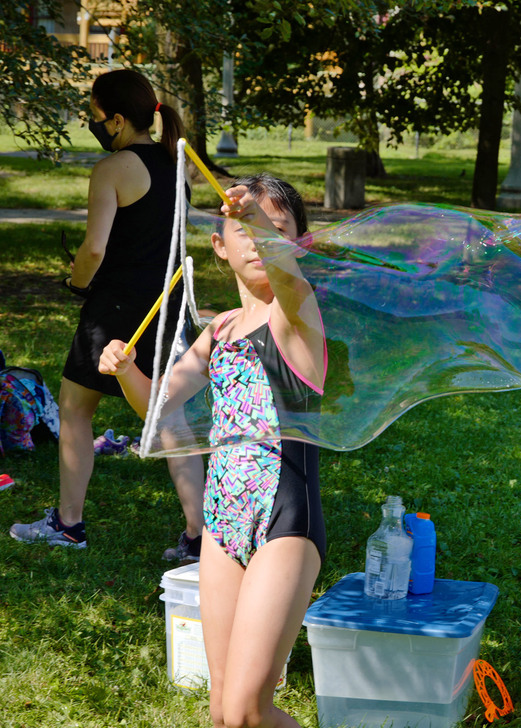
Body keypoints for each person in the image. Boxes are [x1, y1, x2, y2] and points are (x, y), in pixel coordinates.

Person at [99, 174, 326, 728]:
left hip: (284, 521)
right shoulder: (219, 330)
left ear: (299, 244)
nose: (259, 241)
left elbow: (289, 280)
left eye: (275, 230)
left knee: (249, 711)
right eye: (244, 231)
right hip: (222, 524)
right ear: (219, 247)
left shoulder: (297, 315)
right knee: (222, 711)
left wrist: (253, 220)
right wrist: (127, 372)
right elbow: (158, 406)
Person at [9, 68, 205, 560]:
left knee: (75, 409)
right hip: (165, 303)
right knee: (168, 416)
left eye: (95, 116)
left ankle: (68, 525)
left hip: (116, 307)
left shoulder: (114, 168)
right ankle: (200, 536)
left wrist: (76, 283)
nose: (93, 125)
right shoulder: (174, 160)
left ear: (117, 120)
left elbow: (93, 249)